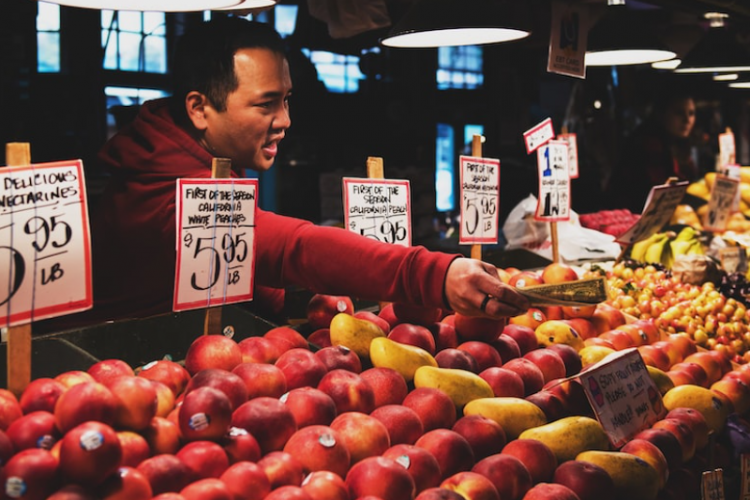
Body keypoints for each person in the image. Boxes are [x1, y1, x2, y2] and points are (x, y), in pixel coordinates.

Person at [69, 16, 528, 328]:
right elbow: (292, 247)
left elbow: (221, 267)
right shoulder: (158, 194)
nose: (285, 120)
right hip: (124, 390)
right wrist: (431, 274)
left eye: (286, 100)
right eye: (267, 103)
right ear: (200, 108)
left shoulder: (202, 168)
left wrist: (289, 301)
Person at [604, 89, 699, 213]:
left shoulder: (680, 143)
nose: (687, 120)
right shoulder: (647, 143)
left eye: (691, 113)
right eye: (679, 113)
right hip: (629, 216)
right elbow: (658, 189)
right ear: (662, 113)